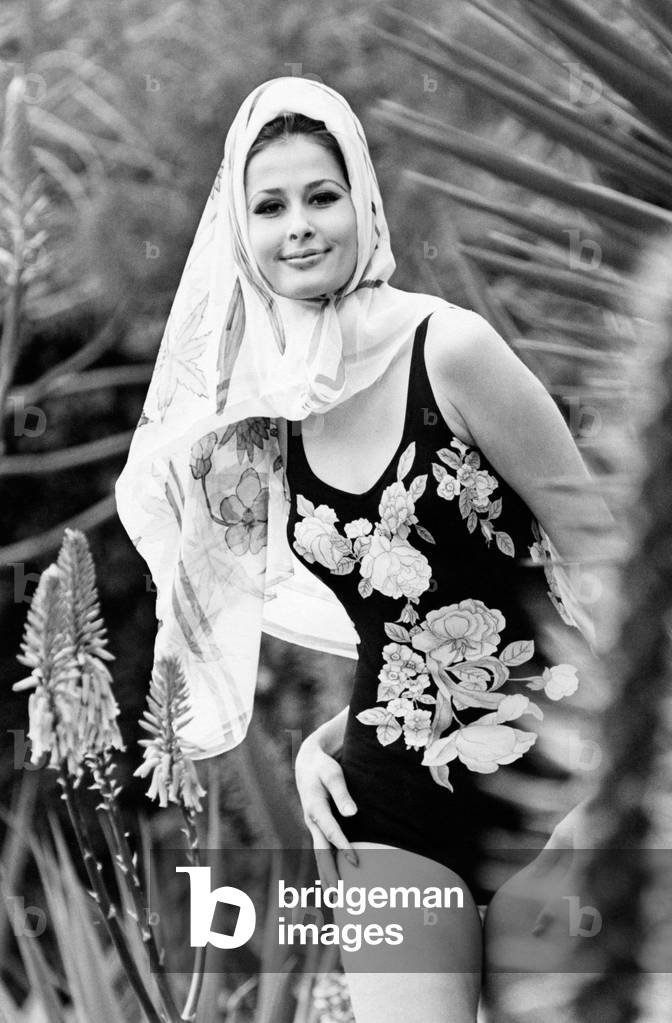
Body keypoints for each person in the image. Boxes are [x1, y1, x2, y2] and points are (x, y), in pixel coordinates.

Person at [116, 76, 614, 1023]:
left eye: (321, 195)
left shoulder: (452, 349)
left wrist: (617, 790)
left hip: (558, 790)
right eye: (269, 206)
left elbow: (612, 566)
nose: (298, 225)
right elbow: (393, 632)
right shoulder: (263, 421)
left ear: (363, 204)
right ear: (239, 231)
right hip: (387, 807)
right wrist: (321, 743)